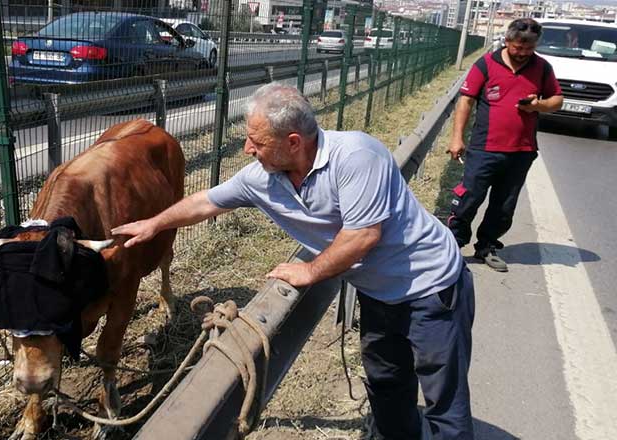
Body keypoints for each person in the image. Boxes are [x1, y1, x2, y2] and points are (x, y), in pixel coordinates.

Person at [112, 83, 476, 440]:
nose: (246, 149)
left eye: (257, 141)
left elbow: (363, 236)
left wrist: (311, 270)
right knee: (386, 385)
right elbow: (206, 201)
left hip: (431, 289)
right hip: (378, 294)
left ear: (293, 143)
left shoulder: (356, 156)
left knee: (444, 398)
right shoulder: (264, 177)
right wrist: (154, 223)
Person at [448, 18, 563, 272]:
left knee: (504, 205)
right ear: (507, 41)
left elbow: (557, 100)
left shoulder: (542, 68)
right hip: (484, 149)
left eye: (528, 49)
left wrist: (537, 106)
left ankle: (486, 246)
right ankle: (452, 244)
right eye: (517, 48)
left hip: (521, 151)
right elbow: (465, 101)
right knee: (468, 198)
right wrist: (457, 138)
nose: (522, 54)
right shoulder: (486, 64)